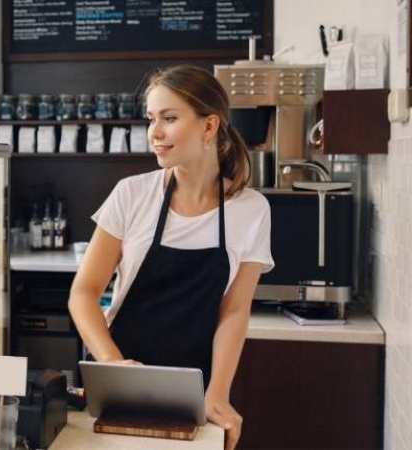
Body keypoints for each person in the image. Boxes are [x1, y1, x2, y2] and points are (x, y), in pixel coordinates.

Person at [68, 65, 274, 450]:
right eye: (151, 119)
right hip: (118, 380)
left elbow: (234, 311)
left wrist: (217, 392)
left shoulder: (251, 209)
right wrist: (112, 364)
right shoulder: (131, 195)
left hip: (194, 387)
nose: (154, 134)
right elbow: (84, 292)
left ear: (209, 126)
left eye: (169, 118)